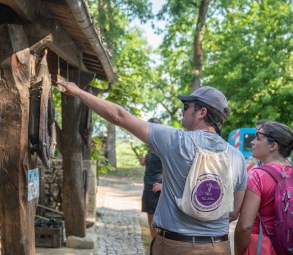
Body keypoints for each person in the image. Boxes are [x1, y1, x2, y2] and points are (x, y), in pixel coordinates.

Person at [56, 82, 247, 254]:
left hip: (175, 246)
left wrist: (78, 91)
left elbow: (119, 116)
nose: (183, 111)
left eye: (186, 106)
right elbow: (233, 212)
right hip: (218, 247)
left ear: (202, 112)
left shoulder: (176, 141)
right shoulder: (238, 158)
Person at [234, 121, 293, 255]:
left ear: (273, 146)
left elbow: (245, 227)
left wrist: (238, 252)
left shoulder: (257, 176)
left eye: (258, 138)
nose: (252, 142)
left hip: (262, 248)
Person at [140, 118, 163, 238]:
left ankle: (156, 246)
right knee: (150, 217)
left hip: (156, 187)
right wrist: (144, 161)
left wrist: (163, 185)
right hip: (148, 187)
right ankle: (154, 246)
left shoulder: (164, 147)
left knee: (155, 219)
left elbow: (172, 168)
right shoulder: (151, 145)